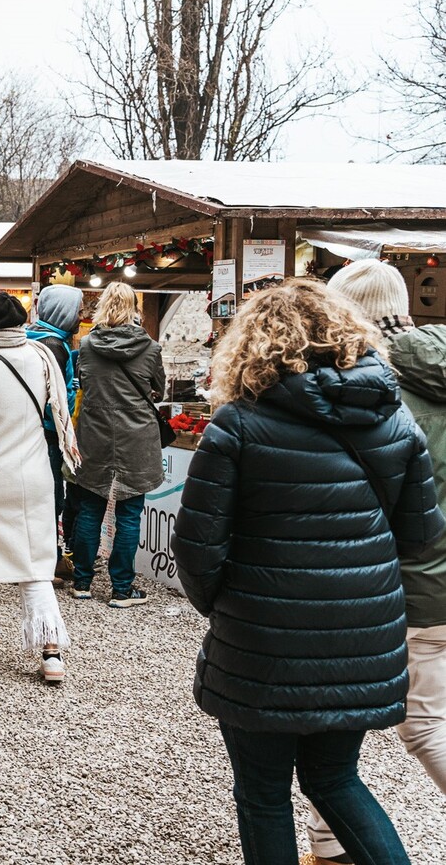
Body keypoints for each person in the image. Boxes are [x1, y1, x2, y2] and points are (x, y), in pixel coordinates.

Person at [173, 279, 443, 865]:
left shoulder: (237, 425)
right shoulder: (395, 421)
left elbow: (197, 549)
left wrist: (228, 604)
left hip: (260, 637)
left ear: (251, 345)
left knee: (264, 795)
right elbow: (421, 536)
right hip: (361, 634)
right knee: (336, 779)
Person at [305, 260, 446, 864]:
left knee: (333, 729)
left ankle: (329, 847)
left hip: (384, 582)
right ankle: (326, 844)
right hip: (438, 580)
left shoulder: (364, 384)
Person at [0, 291, 81, 685]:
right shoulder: (40, 357)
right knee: (35, 563)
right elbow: (56, 407)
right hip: (35, 472)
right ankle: (51, 653)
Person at [67, 280, 165, 607]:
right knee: (129, 513)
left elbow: (83, 381)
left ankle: (82, 581)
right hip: (136, 436)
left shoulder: (86, 346)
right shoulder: (150, 348)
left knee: (90, 508)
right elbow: (158, 390)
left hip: (94, 434)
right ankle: (122, 588)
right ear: (134, 309)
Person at [26, 283, 84, 578]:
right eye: (77, 310)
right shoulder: (55, 347)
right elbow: (55, 400)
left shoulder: (32, 338)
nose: (80, 316)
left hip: (30, 431)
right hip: (49, 433)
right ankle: (51, 561)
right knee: (51, 499)